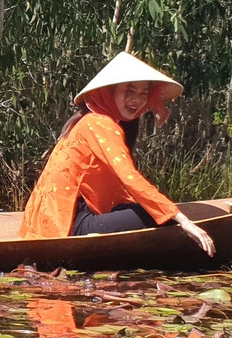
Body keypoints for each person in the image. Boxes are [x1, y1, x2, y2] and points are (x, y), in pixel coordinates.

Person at [17, 51, 216, 255]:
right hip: (69, 224)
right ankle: (93, 238)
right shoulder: (98, 123)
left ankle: (102, 234)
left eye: (143, 93)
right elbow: (129, 177)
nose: (136, 100)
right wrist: (182, 219)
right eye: (129, 91)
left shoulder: (99, 120)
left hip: (70, 218)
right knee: (155, 215)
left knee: (154, 210)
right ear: (108, 92)